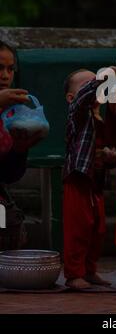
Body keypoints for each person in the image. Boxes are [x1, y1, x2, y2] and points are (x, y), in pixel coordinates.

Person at [63, 68, 116, 290]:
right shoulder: (77, 115)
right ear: (71, 98)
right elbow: (83, 100)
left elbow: (112, 152)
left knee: (98, 230)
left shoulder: (101, 119)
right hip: (77, 180)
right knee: (78, 227)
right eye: (88, 83)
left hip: (95, 184)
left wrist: (111, 156)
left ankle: (90, 270)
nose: (96, 86)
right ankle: (74, 273)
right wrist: (101, 78)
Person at [0, 41, 42, 250]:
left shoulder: (9, 114)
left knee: (7, 222)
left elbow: (7, 175)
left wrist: (19, 149)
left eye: (10, 69)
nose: (6, 76)